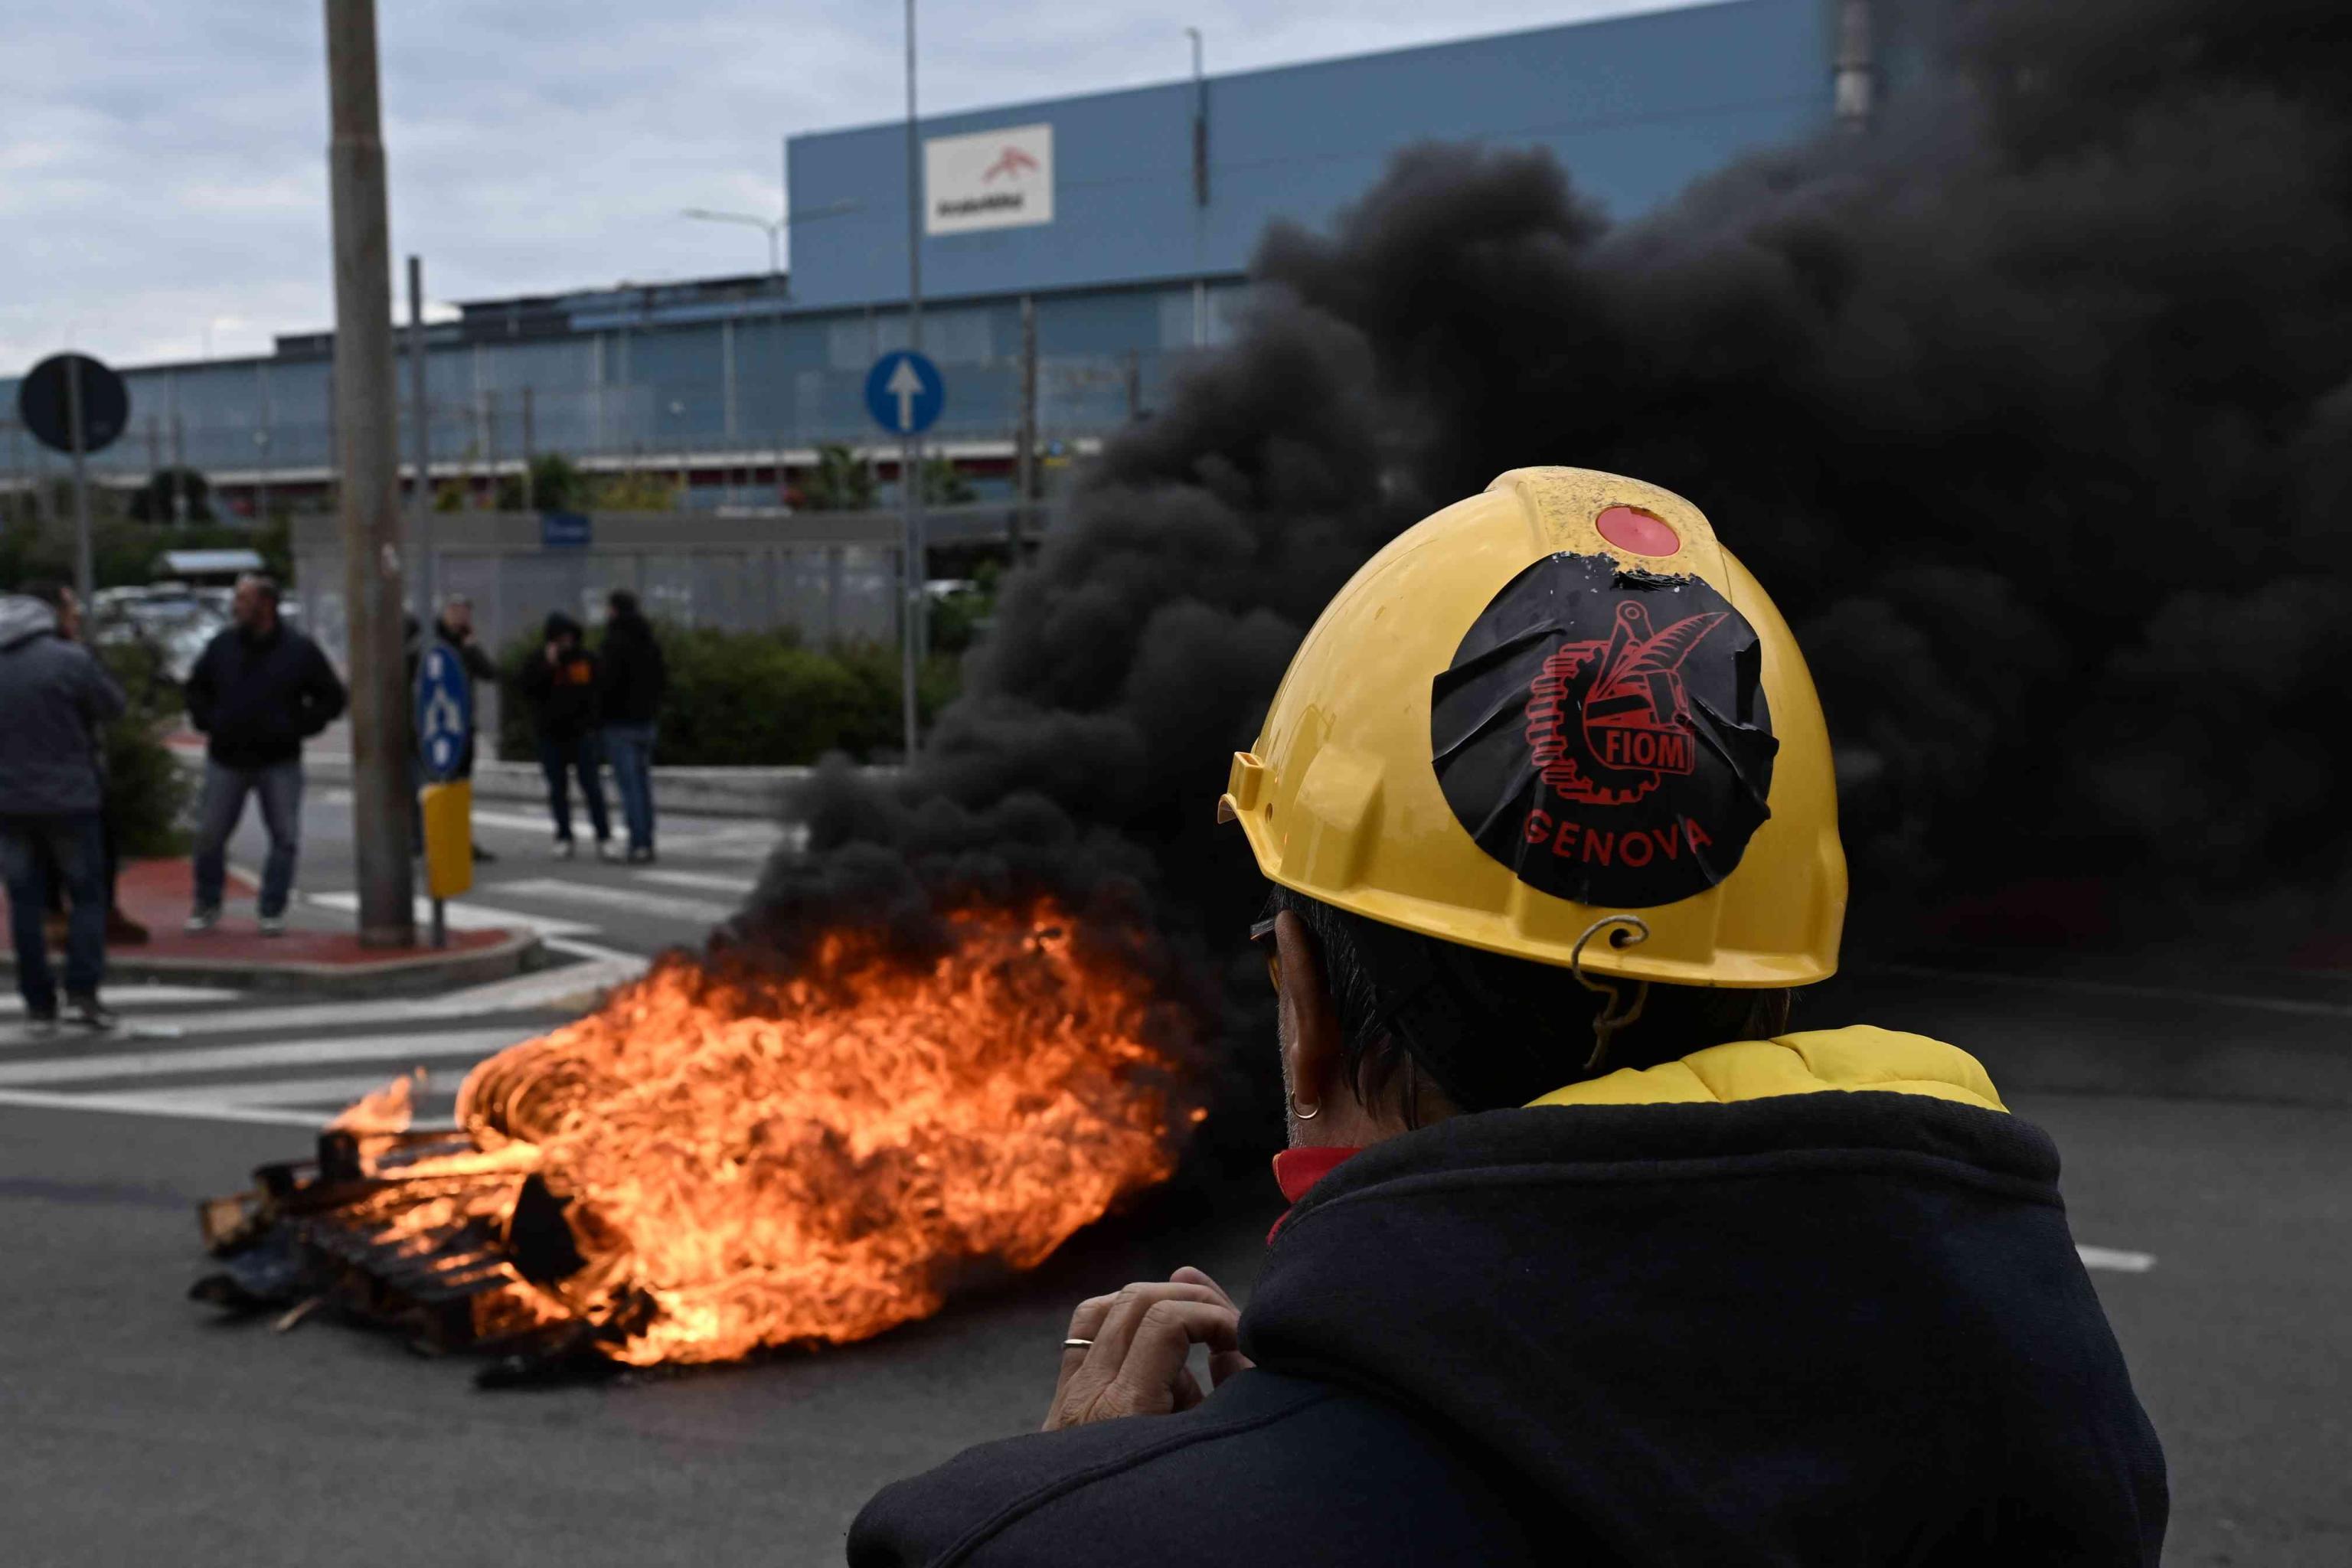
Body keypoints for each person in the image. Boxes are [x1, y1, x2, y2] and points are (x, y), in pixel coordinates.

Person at [850, 469, 2169, 1565]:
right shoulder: (2071, 1438)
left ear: (1302, 1002)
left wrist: (1085, 1517)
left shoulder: (1034, 1543)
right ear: (1772, 981)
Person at [183, 573, 347, 936]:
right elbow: (197, 688)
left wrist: (299, 725)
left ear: (266, 605)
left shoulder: (299, 650)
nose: (236, 605)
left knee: (285, 838)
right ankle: (207, 903)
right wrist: (210, 721)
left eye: (243, 599)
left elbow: (332, 696)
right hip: (227, 757)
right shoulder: (222, 646)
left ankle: (272, 908)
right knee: (209, 835)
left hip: (279, 759)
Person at [0, 580, 127, 1034]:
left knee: (23, 902)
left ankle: (38, 1002)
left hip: (8, 802)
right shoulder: (68, 660)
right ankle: (83, 993)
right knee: (87, 895)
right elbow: (114, 707)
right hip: (71, 798)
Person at [519, 610, 614, 861]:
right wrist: (548, 666)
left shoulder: (586, 660)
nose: (565, 643)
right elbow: (528, 689)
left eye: (568, 637)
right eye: (559, 639)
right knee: (557, 790)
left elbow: (600, 691)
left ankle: (604, 837)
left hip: (582, 734)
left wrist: (594, 725)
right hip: (550, 735)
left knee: (592, 788)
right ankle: (563, 836)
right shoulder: (539, 660)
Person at [596, 588, 666, 863]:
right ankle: (647, 840)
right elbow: (661, 678)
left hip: (619, 724)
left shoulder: (613, 643)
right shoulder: (649, 642)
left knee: (630, 788)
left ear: (613, 609)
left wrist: (600, 716)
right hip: (646, 721)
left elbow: (606, 685)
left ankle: (637, 843)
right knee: (643, 783)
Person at [432, 593, 501, 862]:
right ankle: (439, 841)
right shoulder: (435, 642)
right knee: (441, 785)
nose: (462, 616)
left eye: (465, 611)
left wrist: (472, 646)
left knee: (460, 786)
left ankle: (461, 840)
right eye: (456, 610)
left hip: (464, 725)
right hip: (440, 727)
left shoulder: (466, 643)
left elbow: (489, 673)